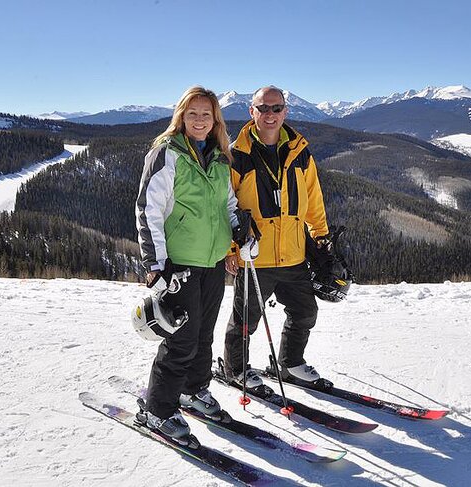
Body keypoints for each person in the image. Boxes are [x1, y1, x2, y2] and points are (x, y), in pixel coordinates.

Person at [135, 86, 250, 444]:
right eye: (192, 113)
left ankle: (193, 390)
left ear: (216, 119)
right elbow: (147, 209)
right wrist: (155, 264)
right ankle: (158, 409)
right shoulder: (166, 154)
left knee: (203, 336)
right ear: (181, 117)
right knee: (180, 341)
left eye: (207, 114)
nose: (200, 120)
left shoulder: (218, 158)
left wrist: (240, 231)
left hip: (213, 261)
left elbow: (228, 204)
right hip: (178, 264)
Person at [222, 85, 330, 389]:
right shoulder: (237, 155)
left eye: (276, 108)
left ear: (285, 111)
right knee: (245, 320)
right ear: (251, 111)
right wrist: (231, 248)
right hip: (254, 256)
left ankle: (291, 363)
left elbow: (313, 197)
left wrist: (320, 236)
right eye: (263, 108)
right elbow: (224, 204)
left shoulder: (299, 151)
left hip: (294, 254)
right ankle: (236, 369)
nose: (270, 114)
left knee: (305, 312)